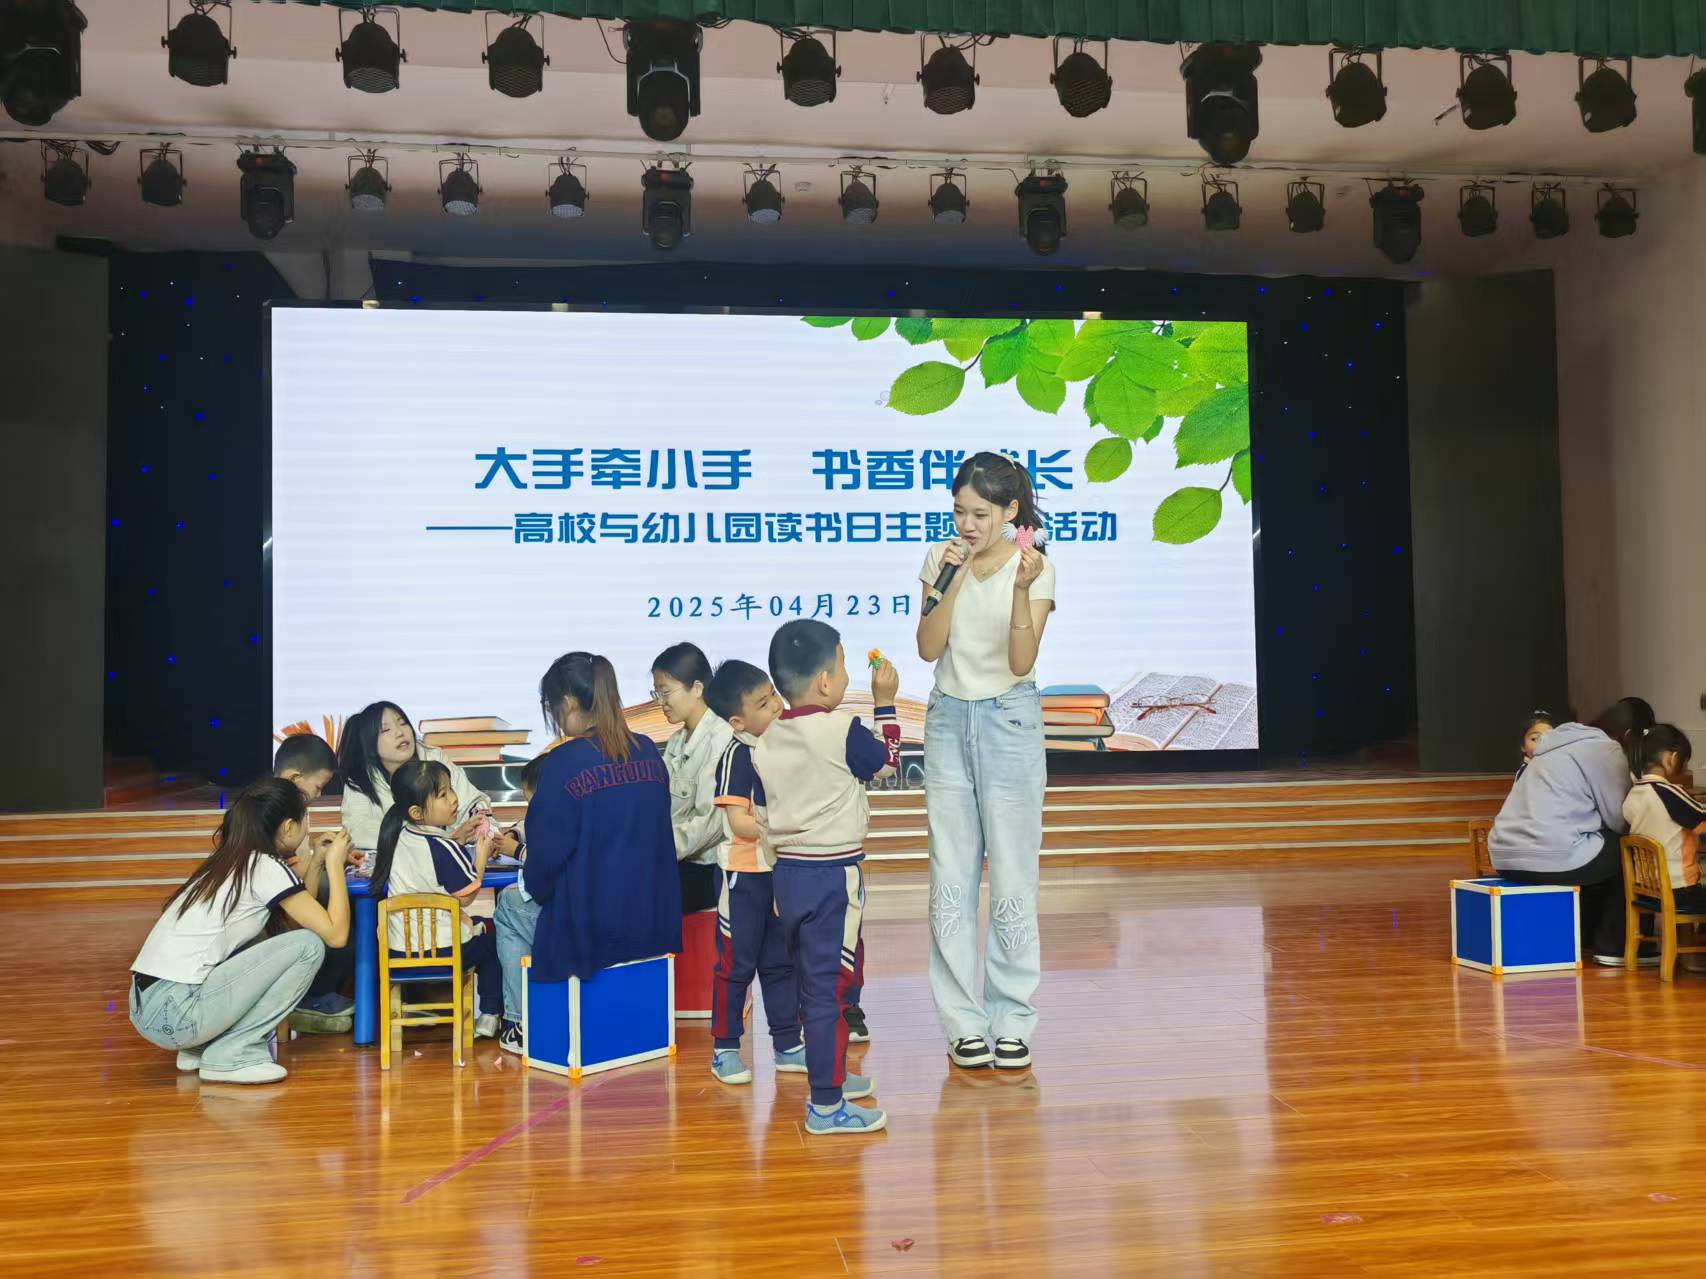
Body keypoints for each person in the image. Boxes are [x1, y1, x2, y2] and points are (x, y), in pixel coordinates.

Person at [915, 451, 1056, 1072]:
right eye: (959, 511)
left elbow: (1022, 662)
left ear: (1010, 511)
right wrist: (947, 581)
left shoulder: (1035, 567)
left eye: (979, 513)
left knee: (1014, 875)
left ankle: (1013, 1018)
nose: (967, 524)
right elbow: (928, 648)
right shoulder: (941, 559)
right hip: (948, 719)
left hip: (1010, 718)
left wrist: (1021, 591)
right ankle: (962, 1022)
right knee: (951, 876)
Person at [494, 652, 680, 1056]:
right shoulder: (649, 752)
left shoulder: (564, 762)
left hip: (589, 927)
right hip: (651, 920)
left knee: (508, 906)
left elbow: (543, 863)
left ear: (568, 702)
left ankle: (521, 1024)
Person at [755, 619, 898, 1136]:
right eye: (842, 666)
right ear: (824, 681)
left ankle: (830, 1078)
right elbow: (887, 765)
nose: (846, 676)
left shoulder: (766, 739)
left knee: (811, 984)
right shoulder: (842, 730)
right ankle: (825, 1105)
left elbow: (762, 814)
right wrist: (886, 704)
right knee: (828, 991)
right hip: (832, 876)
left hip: (788, 875)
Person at [129, 778, 352, 1084]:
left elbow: (298, 924)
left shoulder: (229, 861)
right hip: (177, 1012)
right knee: (309, 947)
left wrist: (316, 863)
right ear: (288, 828)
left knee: (274, 941)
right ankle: (232, 1053)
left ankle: (201, 1045)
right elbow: (335, 935)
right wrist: (336, 866)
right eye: (305, 819)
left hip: (148, 1008)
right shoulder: (265, 867)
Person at [1489, 698, 1656, 966]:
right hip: (1550, 856)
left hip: (1505, 854)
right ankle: (1616, 946)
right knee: (1627, 848)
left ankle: (1587, 934)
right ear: (1629, 736)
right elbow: (1618, 818)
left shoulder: (1555, 745)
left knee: (1595, 851)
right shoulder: (1606, 750)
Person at [702, 658, 804, 1085]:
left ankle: (788, 1044)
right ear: (738, 721)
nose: (777, 705)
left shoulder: (783, 745)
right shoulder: (737, 755)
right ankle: (725, 1048)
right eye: (763, 704)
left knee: (781, 963)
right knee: (737, 964)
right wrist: (779, 826)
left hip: (778, 872)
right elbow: (738, 822)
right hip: (743, 877)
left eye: (773, 695)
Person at [370, 758, 503, 1037]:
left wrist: (455, 839)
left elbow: (431, 859)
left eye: (451, 789)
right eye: (443, 795)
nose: (454, 799)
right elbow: (466, 897)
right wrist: (480, 855)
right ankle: (490, 1014)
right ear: (417, 812)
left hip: (399, 950)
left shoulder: (397, 835)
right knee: (492, 943)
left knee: (479, 928)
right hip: (444, 951)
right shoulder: (442, 847)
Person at [270, 734, 356, 1034]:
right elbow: (289, 885)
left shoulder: (278, 810)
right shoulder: (273, 819)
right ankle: (312, 996)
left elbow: (295, 879)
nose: (318, 796)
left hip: (287, 911)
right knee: (341, 907)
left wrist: (321, 858)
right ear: (294, 779)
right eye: (318, 787)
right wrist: (331, 863)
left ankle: (316, 995)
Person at [337, 701, 492, 855]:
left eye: (403, 723)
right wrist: (441, 840)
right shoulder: (361, 778)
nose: (400, 732)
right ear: (370, 744)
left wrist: (483, 831)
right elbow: (357, 830)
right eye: (386, 730)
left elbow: (472, 803)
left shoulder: (433, 758)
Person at [653, 642, 734, 915]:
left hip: (707, 870)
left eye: (666, 692)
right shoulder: (676, 741)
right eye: (656, 693)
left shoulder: (721, 738)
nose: (661, 702)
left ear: (697, 688)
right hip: (676, 860)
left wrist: (658, 849)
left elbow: (711, 823)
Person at [493, 750, 549, 1054]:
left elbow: (549, 865)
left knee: (506, 905)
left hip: (570, 919)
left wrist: (517, 851)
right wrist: (515, 833)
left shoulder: (554, 814)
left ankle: (519, 1021)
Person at [1624, 725, 1706, 911]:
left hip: (1646, 888)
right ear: (1673, 758)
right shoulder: (1668, 792)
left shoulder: (1633, 794)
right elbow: (1700, 818)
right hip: (1679, 890)